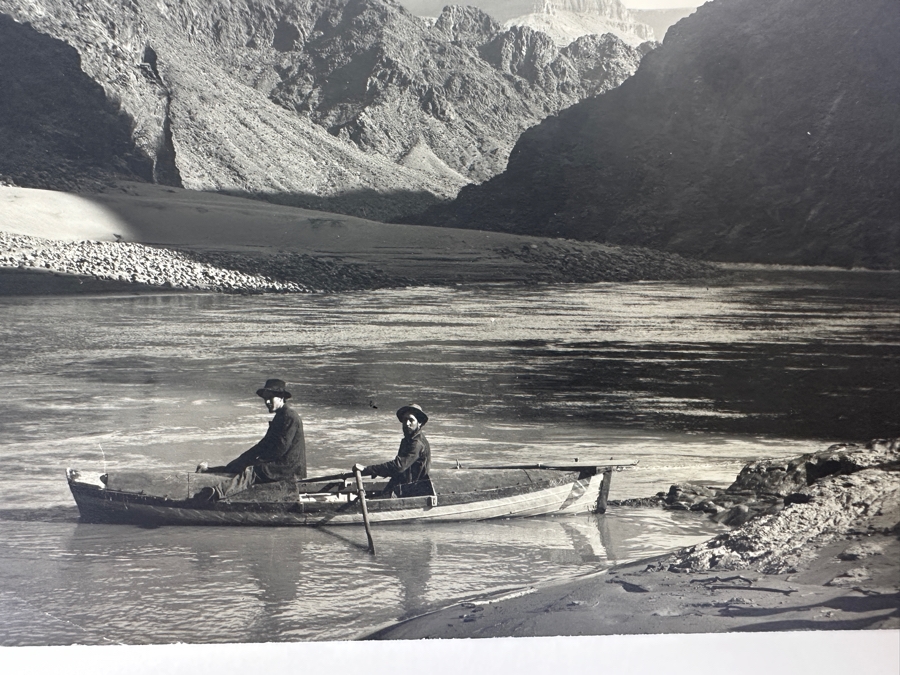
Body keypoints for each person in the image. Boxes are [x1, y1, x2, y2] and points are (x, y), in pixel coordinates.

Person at [194, 378, 306, 500]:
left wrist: (258, 461)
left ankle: (217, 492)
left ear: (281, 398)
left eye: (270, 398)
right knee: (241, 463)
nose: (267, 402)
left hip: (288, 469)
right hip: (281, 465)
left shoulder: (289, 417)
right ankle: (208, 472)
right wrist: (244, 458)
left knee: (251, 471)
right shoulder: (281, 416)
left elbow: (280, 449)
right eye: (265, 399)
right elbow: (264, 444)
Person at [360, 403, 433, 498]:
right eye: (405, 420)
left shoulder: (417, 443)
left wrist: (369, 469)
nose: (407, 423)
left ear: (419, 423)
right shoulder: (407, 440)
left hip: (416, 491)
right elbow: (399, 472)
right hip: (406, 486)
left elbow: (399, 466)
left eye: (411, 420)